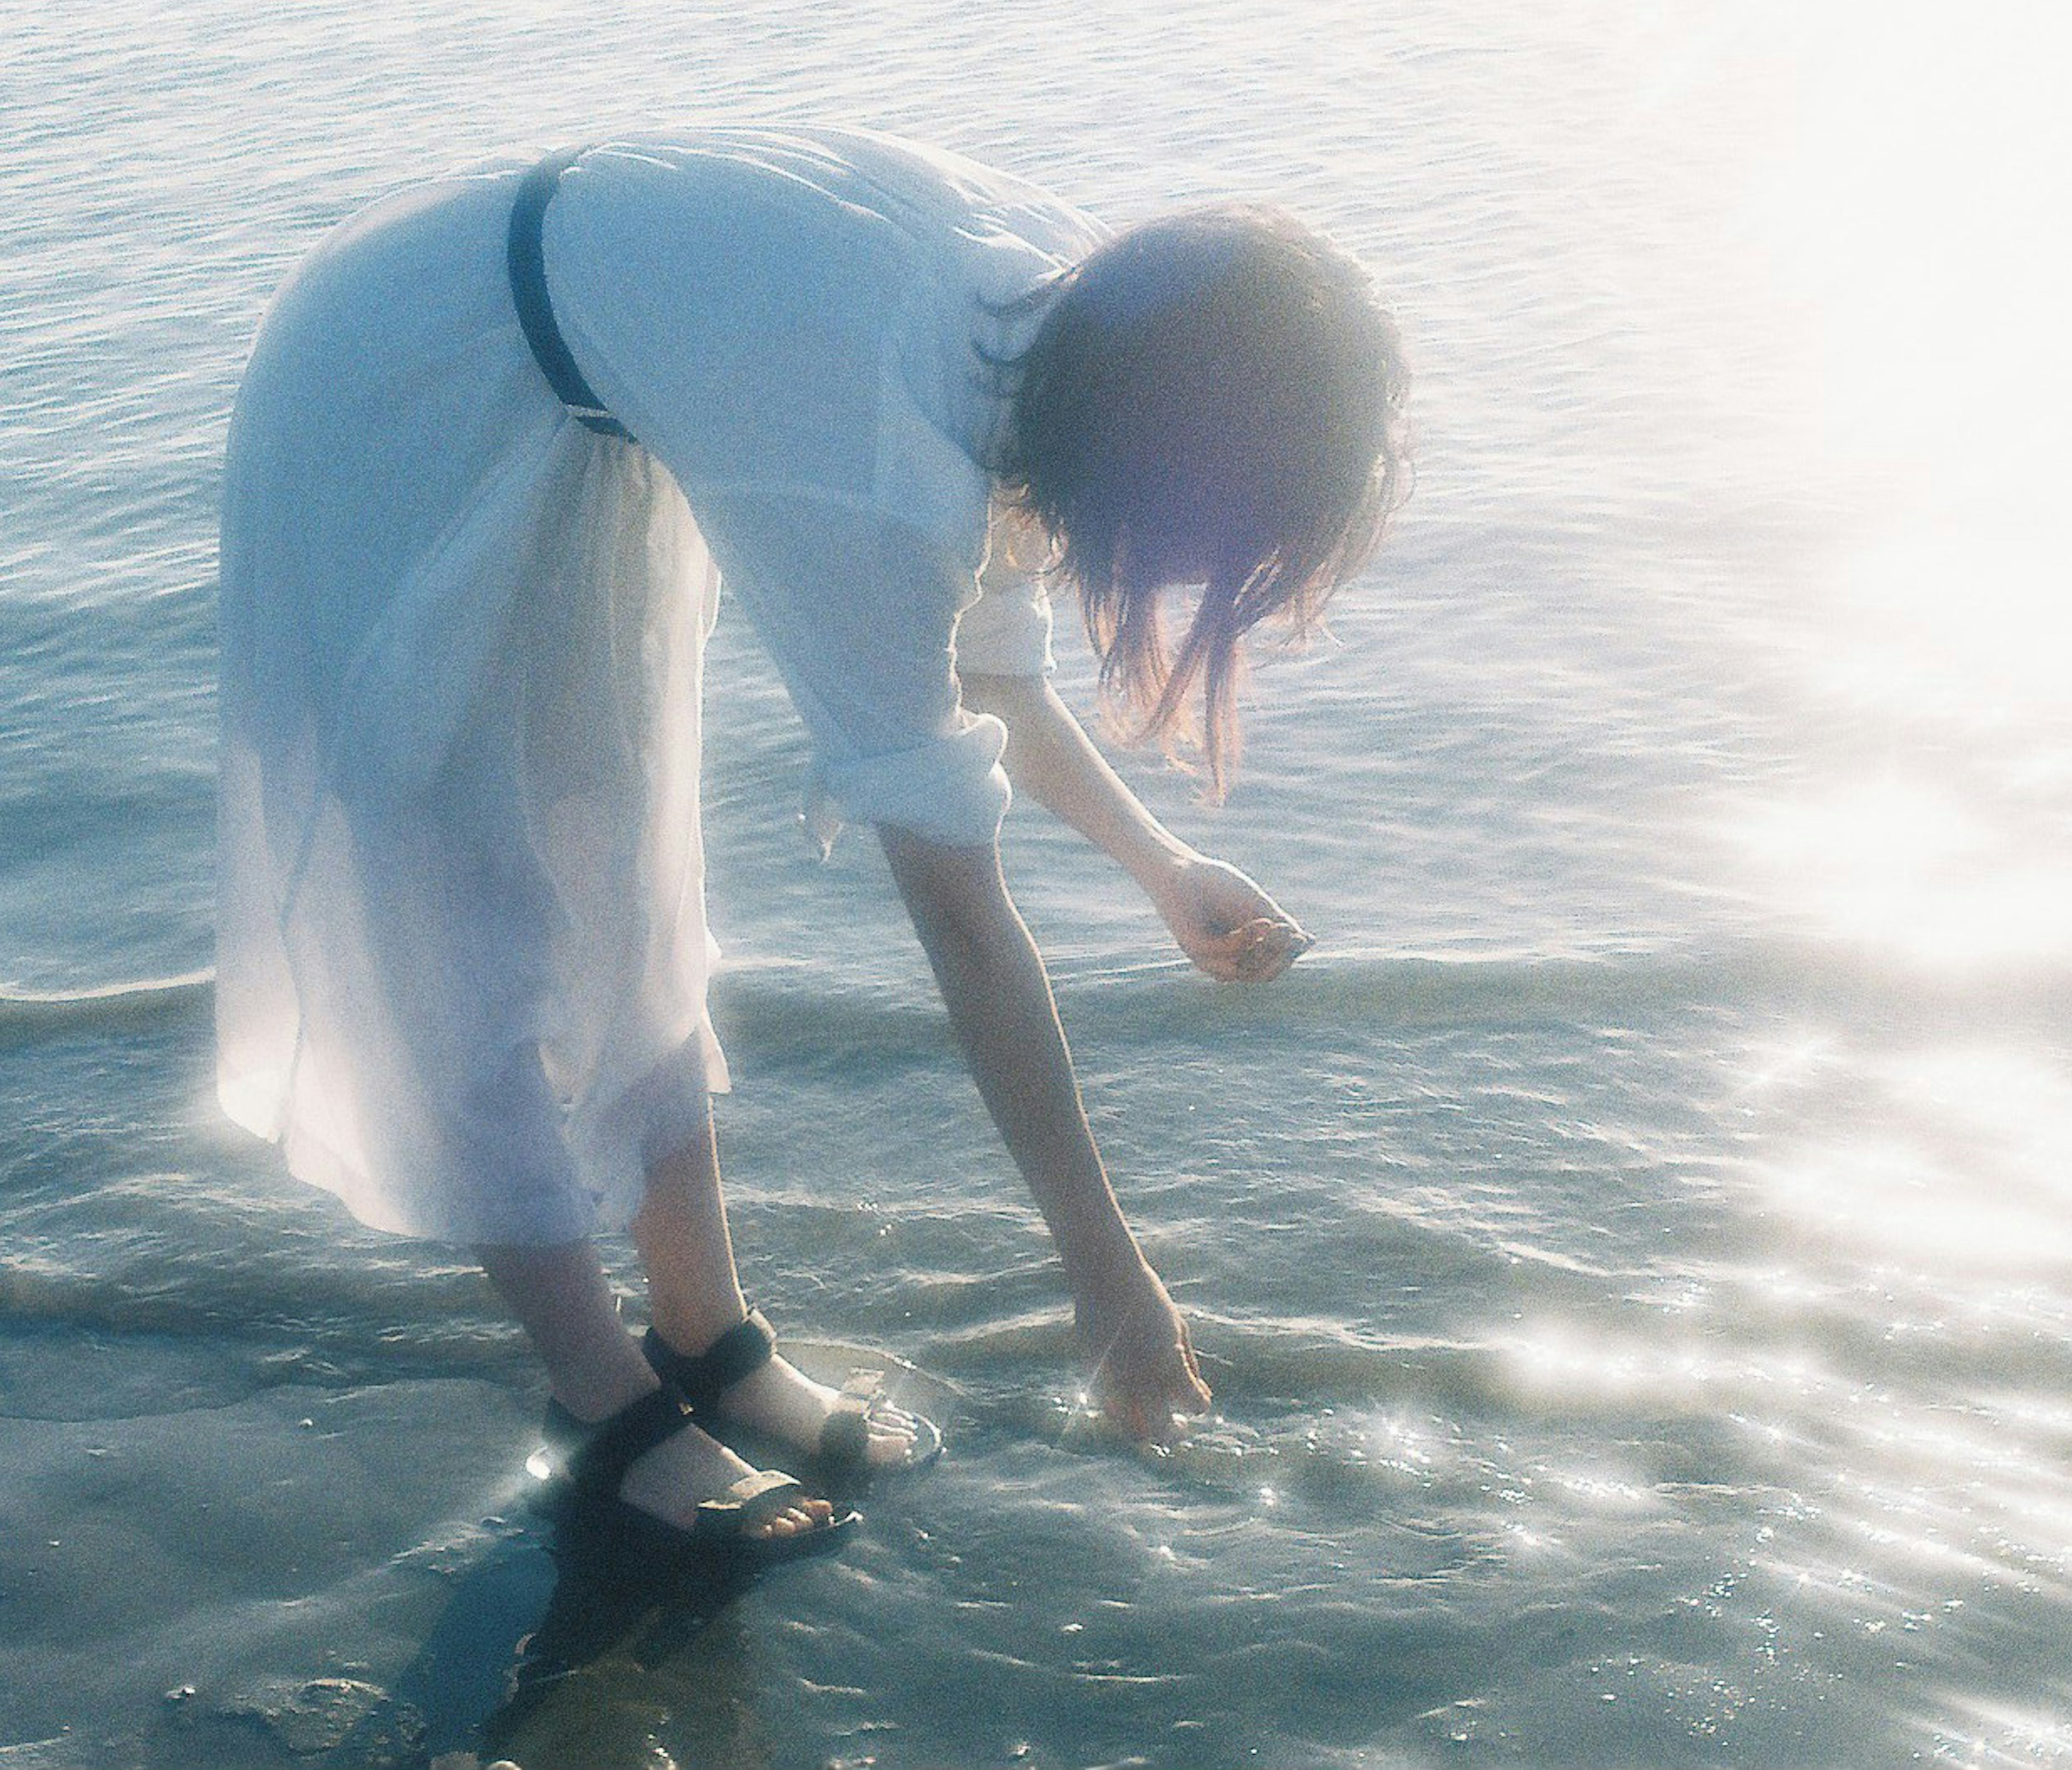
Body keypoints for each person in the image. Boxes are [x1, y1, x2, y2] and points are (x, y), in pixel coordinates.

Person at [216, 127, 1408, 1557]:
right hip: (401, 385)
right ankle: (603, 1405)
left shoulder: (1079, 325)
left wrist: (1162, 872)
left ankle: (705, 1333)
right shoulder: (873, 454)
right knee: (460, 896)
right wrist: (1108, 1279)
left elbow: (987, 664)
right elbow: (962, 917)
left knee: (628, 877)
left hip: (589, 389)